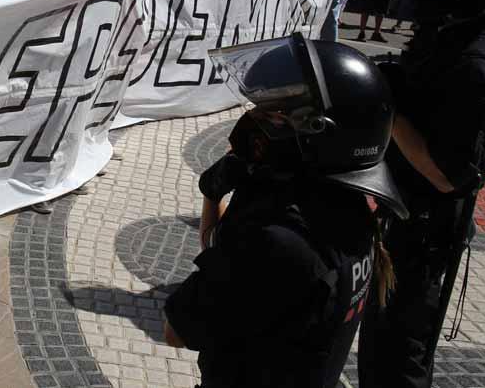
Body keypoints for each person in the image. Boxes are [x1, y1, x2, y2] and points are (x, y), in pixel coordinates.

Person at [164, 32, 407, 388]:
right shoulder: (350, 211)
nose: (257, 117)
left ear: (318, 133)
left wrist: (217, 194)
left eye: (276, 114)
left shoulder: (279, 242)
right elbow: (230, 267)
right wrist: (216, 196)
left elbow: (176, 331)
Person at [357, 0, 485, 388]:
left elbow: (447, 175)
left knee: (399, 356)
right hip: (401, 219)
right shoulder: (447, 36)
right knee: (378, 345)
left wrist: (391, 110)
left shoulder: (474, 65)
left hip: (425, 234)